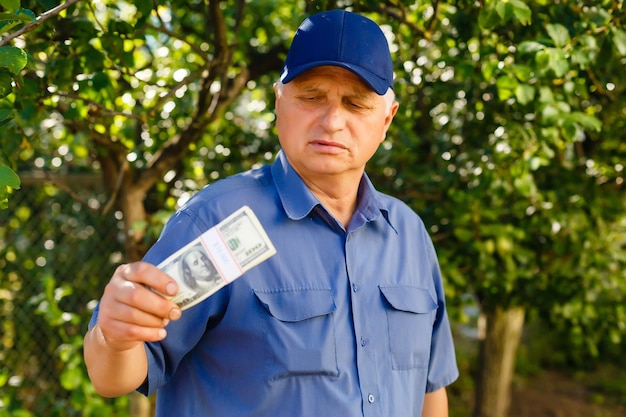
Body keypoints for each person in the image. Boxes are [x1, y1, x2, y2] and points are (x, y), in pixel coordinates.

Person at [83, 9, 458, 417]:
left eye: (356, 103)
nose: (333, 121)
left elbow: (429, 388)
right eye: (312, 97)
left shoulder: (408, 234)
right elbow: (114, 376)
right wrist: (114, 337)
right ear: (279, 101)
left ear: (387, 118)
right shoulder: (218, 222)